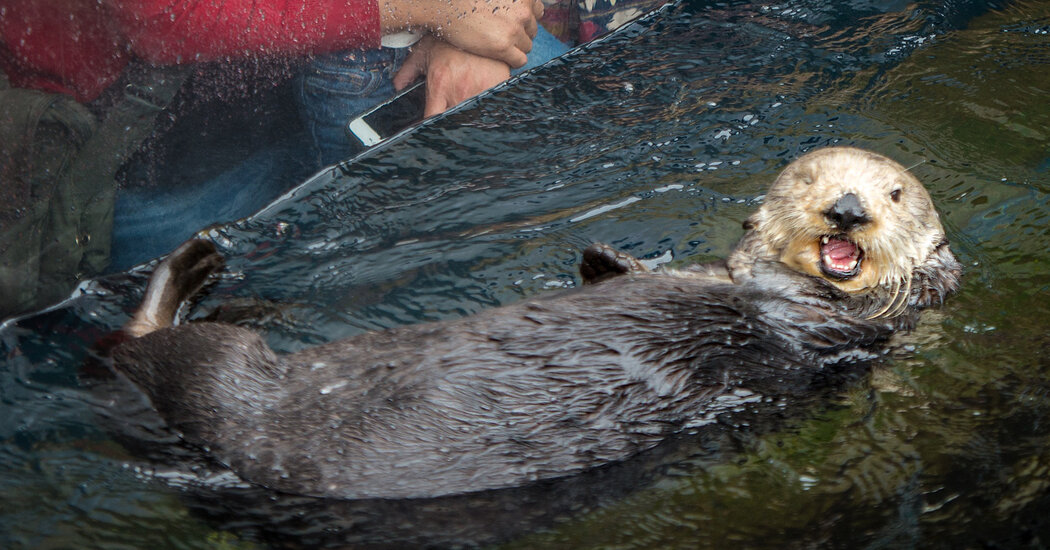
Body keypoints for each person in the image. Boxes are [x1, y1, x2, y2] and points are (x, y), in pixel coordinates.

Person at [0, 0, 549, 318]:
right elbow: (171, 19)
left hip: (328, 92)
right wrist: (434, 10)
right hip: (143, 162)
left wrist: (465, 30)